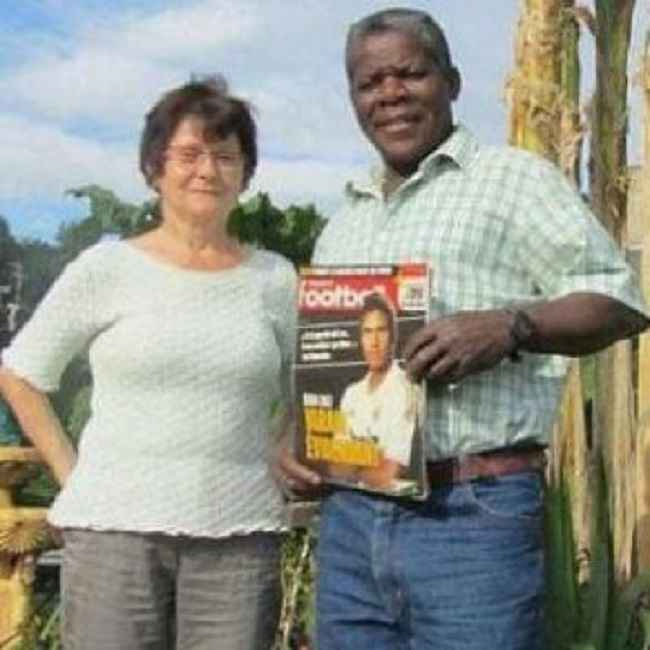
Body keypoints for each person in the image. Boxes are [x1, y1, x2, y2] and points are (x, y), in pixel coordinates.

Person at [275, 8, 649, 650]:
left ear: (450, 82)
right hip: (351, 523)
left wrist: (512, 326)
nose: (390, 93)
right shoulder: (345, 220)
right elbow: (323, 365)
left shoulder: (512, 180)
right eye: (370, 83)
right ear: (354, 100)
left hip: (472, 516)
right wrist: (293, 435)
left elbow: (620, 301)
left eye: (410, 74)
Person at [0, 77, 295, 650]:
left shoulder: (274, 279)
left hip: (239, 537)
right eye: (189, 154)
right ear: (154, 167)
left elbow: (311, 388)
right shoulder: (107, 268)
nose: (207, 170)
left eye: (225, 156)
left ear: (245, 174)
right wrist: (72, 472)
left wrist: (283, 447)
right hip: (113, 536)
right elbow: (21, 372)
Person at [334, 292, 419, 490]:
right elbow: (336, 469)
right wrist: (371, 459)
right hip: (350, 499)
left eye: (381, 330)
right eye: (367, 332)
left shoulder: (407, 388)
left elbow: (389, 474)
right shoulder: (351, 394)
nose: (374, 342)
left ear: (393, 337)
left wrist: (354, 460)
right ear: (360, 338)